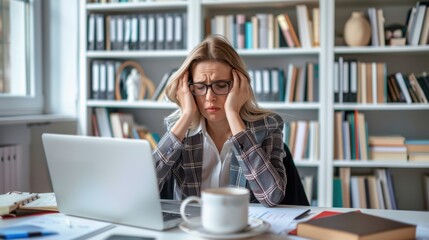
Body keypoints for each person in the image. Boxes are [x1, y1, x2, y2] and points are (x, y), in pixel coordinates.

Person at [153, 35, 286, 207]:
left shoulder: (268, 126)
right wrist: (187, 115)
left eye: (221, 85)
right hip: (192, 228)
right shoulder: (180, 129)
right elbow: (142, 191)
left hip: (243, 227)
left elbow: (272, 197)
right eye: (200, 87)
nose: (210, 97)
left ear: (240, 86)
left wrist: (232, 113)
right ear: (188, 89)